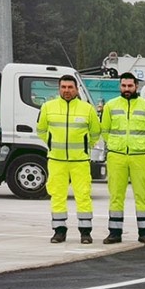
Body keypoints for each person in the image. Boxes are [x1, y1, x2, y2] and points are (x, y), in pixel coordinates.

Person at [38, 75, 101, 244]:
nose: (67, 90)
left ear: (76, 89)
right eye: (63, 87)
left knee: (83, 196)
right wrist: (52, 144)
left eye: (70, 87)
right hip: (56, 160)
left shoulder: (87, 109)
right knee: (57, 195)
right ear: (59, 89)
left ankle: (85, 232)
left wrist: (85, 146)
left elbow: (95, 132)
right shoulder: (47, 107)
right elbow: (41, 130)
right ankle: (59, 231)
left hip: (79, 161)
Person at [100, 72, 145, 246]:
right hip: (116, 156)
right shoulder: (111, 106)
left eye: (130, 86)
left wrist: (142, 146)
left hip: (139, 156)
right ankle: (115, 233)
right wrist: (114, 144)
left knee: (142, 195)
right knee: (116, 195)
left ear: (136, 86)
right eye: (124, 86)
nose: (127, 89)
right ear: (120, 86)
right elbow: (105, 130)